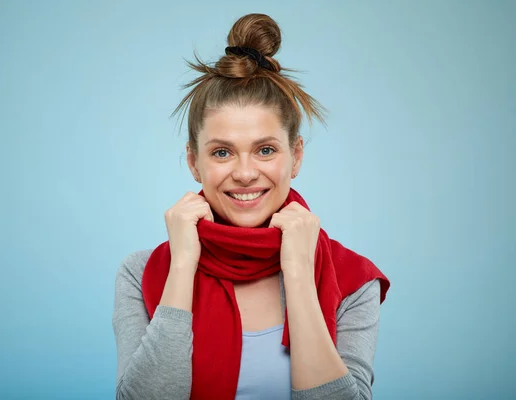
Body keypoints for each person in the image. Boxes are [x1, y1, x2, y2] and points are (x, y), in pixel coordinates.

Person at [112, 13, 390, 400]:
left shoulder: (353, 280)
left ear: (295, 156)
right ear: (194, 162)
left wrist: (297, 271)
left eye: (265, 150)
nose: (245, 173)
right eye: (222, 152)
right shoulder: (141, 272)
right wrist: (181, 266)